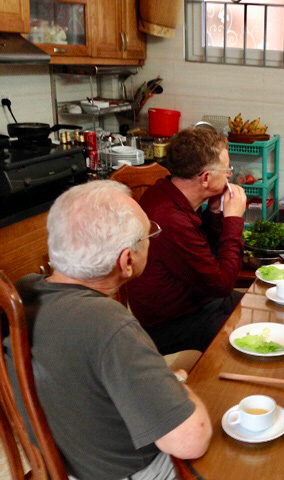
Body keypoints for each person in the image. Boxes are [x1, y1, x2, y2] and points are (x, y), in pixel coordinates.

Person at [5, 181, 212, 480]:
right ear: (126, 261)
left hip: (65, 462)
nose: (151, 239)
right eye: (147, 236)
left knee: (191, 358)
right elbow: (191, 440)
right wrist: (179, 389)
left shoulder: (24, 290)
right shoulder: (107, 323)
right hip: (128, 473)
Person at [127, 128, 247, 355]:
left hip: (198, 300)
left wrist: (213, 213)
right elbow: (222, 284)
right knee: (242, 345)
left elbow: (204, 257)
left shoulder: (165, 190)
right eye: (226, 169)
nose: (230, 174)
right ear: (205, 178)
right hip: (173, 324)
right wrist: (232, 220)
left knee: (256, 307)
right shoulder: (169, 218)